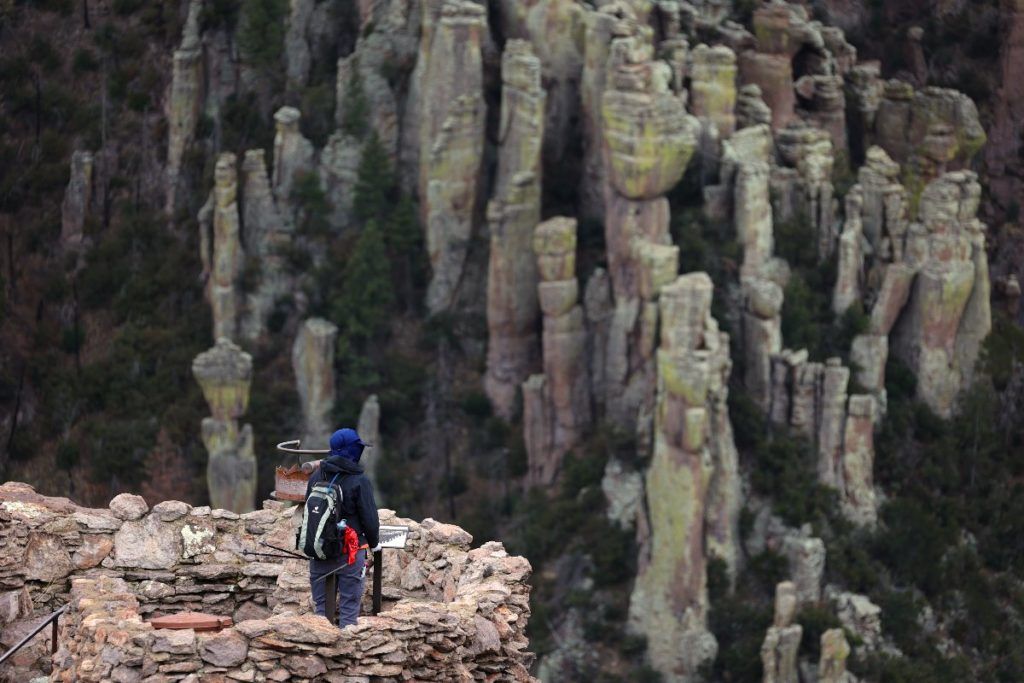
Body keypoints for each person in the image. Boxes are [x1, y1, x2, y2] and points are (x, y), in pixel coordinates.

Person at [306, 427, 380, 627]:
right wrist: (374, 544)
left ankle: (320, 649)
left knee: (321, 610)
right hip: (350, 552)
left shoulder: (316, 477)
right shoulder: (359, 481)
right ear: (352, 451)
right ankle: (346, 655)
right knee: (349, 608)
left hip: (320, 551)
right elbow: (370, 519)